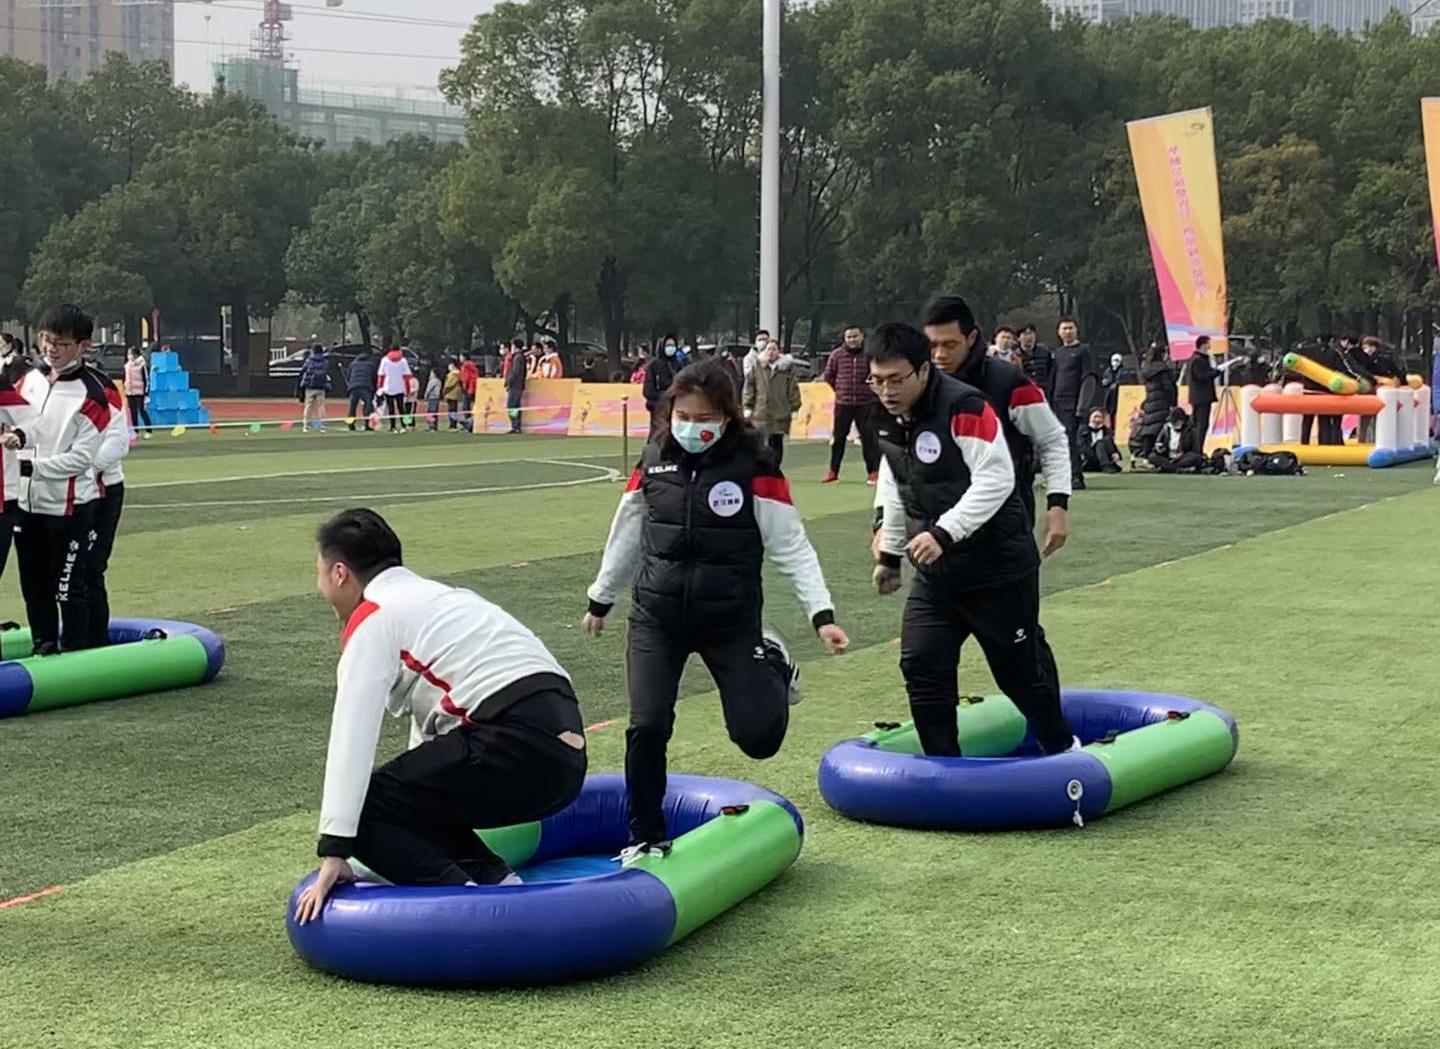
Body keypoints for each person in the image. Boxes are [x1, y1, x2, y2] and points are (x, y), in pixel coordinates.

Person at [582, 359, 849, 855]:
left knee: (758, 738)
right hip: (656, 618)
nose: (691, 427)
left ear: (727, 415)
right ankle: (644, 835)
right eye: (683, 416)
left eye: (704, 417)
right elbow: (627, 532)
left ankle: (773, 662)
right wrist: (602, 597)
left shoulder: (755, 464)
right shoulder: (654, 457)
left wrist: (822, 615)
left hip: (730, 620)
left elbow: (791, 544)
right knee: (647, 725)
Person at [293, 509, 588, 923]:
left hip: (511, 741)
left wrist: (337, 846)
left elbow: (351, 734)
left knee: (365, 805)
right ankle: (498, 883)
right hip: (565, 758)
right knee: (411, 800)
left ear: (339, 573)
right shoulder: (447, 599)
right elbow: (432, 753)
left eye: (319, 572)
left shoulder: (375, 614)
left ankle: (466, 910)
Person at [867, 321, 1075, 758]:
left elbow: (996, 478)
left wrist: (945, 531)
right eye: (877, 380)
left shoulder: (965, 406)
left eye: (896, 380)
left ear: (924, 370)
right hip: (938, 573)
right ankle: (943, 767)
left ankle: (1062, 748)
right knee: (921, 663)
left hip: (998, 568)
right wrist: (888, 548)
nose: (886, 391)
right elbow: (895, 479)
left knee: (1020, 674)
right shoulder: (886, 415)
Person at [920, 295, 1072, 705]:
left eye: (949, 344)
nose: (938, 355)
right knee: (925, 657)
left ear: (972, 338)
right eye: (931, 345)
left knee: (1020, 653)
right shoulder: (920, 387)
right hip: (941, 542)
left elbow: (1052, 439)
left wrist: (1058, 504)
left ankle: (1053, 729)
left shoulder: (1009, 383)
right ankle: (941, 738)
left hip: (1005, 537)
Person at [12, 305, 114, 655]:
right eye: (46, 340)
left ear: (83, 345)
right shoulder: (30, 379)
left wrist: (33, 468)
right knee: (33, 586)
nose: (50, 348)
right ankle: (43, 644)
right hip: (26, 503)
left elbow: (82, 459)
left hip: (70, 508)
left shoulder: (93, 393)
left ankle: (77, 651)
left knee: (68, 587)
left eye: (61, 343)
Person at [85, 378, 131, 647]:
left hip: (100, 490)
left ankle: (94, 640)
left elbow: (118, 442)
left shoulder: (100, 389)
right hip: (60, 493)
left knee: (90, 568)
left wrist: (83, 470)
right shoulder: (43, 385)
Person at [821, 325, 881, 485]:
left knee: (869, 439)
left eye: (855, 336)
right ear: (844, 338)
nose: (852, 340)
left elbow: (878, 374)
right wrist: (840, 389)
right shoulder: (836, 355)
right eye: (849, 337)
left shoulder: (870, 354)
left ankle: (873, 472)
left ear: (861, 337)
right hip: (843, 403)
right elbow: (828, 376)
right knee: (838, 439)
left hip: (866, 403)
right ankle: (833, 472)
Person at [1050, 317, 1097, 490]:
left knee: (1072, 442)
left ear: (1076, 330)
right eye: (1064, 328)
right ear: (1059, 332)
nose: (1068, 332)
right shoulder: (1058, 353)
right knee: (1059, 443)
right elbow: (1053, 380)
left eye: (1070, 328)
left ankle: (1076, 476)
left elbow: (1089, 379)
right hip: (1057, 405)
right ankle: (1061, 476)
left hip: (1073, 405)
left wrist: (1082, 407)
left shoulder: (1083, 351)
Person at [743, 339, 802, 466]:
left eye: (774, 349)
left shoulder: (786, 368)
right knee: (760, 442)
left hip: (780, 411)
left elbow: (793, 388)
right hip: (761, 412)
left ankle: (775, 468)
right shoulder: (757, 366)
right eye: (769, 349)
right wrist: (748, 406)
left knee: (776, 442)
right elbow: (749, 386)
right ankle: (762, 468)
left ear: (778, 351)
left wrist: (795, 407)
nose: (771, 352)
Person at [1129, 341, 1176, 460]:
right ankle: (1156, 454)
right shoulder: (1163, 369)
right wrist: (1173, 401)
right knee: (1159, 427)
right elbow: (1168, 387)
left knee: (1148, 427)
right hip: (1161, 401)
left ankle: (1146, 452)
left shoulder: (1147, 368)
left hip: (1150, 400)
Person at [641, 335, 683, 439]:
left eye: (673, 345)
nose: (671, 348)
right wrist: (664, 397)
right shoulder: (653, 365)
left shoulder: (678, 364)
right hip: (658, 407)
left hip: (676, 407)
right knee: (659, 435)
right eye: (668, 345)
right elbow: (648, 390)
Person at [1186, 336, 1219, 453]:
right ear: (1203, 344)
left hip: (1199, 397)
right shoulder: (1198, 360)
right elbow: (1201, 376)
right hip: (1201, 397)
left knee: (1199, 424)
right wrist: (1215, 372)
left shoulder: (1197, 359)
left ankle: (1197, 449)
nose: (1210, 346)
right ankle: (1197, 450)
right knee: (1201, 424)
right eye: (1208, 343)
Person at [1148, 407, 1204, 473]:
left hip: (1182, 458)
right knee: (1152, 456)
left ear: (1182, 421)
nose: (1173, 424)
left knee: (1196, 457)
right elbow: (1158, 443)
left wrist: (1180, 457)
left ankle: (1168, 467)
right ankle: (1176, 469)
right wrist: (1159, 449)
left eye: (1175, 422)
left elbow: (1196, 450)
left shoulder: (1191, 430)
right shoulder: (1166, 428)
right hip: (1167, 457)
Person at [375, 347, 412, 434]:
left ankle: (393, 427)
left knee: (391, 408)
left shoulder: (385, 360)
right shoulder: (403, 360)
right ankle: (404, 426)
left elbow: (381, 375)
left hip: (388, 387)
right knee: (401, 408)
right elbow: (407, 376)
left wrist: (380, 387)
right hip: (400, 387)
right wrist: (408, 389)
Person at [298, 344, 331, 433]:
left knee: (308, 406)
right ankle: (323, 426)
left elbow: (303, 370)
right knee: (321, 406)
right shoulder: (325, 361)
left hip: (310, 386)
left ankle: (306, 426)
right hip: (321, 386)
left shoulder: (309, 360)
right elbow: (326, 371)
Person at [1016, 323, 1055, 399]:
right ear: (1018, 338)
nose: (1029, 337)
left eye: (1031, 333)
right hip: (1025, 393)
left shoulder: (1045, 353)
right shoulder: (1015, 355)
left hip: (1044, 393)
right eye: (1025, 334)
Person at [345, 347, 379, 432]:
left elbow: (348, 376)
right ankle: (368, 425)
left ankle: (350, 425)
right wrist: (374, 390)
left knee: (352, 408)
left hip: (353, 387)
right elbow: (375, 378)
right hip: (366, 387)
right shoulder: (371, 364)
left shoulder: (353, 364)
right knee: (368, 407)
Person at [123, 347, 153, 439]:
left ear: (135, 354)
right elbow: (125, 377)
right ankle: (135, 431)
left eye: (130, 353)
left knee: (142, 410)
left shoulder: (142, 364)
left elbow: (146, 379)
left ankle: (149, 431)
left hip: (140, 392)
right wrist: (126, 387)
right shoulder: (127, 365)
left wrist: (146, 393)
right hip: (130, 392)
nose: (129, 356)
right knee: (133, 412)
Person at [1080, 408, 1122, 474]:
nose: (1097, 419)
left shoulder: (1107, 431)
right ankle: (1106, 466)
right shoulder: (1083, 431)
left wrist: (1116, 453)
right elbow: (1081, 446)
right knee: (1100, 443)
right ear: (1090, 418)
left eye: (1099, 417)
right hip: (1090, 460)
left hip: (1106, 457)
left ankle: (1107, 465)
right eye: (1095, 417)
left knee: (1104, 441)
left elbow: (1113, 446)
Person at [1101, 351, 1134, 422]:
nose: (1115, 362)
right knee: (1108, 412)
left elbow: (1126, 381)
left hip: (1119, 395)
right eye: (1113, 360)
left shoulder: (1124, 370)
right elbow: (1104, 380)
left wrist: (1116, 384)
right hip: (1109, 395)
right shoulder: (1108, 370)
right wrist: (1106, 382)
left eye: (1117, 360)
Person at [504, 339, 527, 434]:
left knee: (511, 406)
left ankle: (515, 425)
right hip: (519, 385)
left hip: (515, 385)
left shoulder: (517, 357)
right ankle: (516, 426)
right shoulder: (521, 357)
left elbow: (515, 372)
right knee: (516, 406)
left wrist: (509, 382)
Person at [459, 352, 479, 427]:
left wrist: (464, 387)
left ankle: (469, 423)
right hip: (473, 387)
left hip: (468, 388)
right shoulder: (472, 365)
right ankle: (470, 421)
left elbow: (466, 378)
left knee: (466, 407)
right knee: (470, 406)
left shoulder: (465, 365)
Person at [442, 360, 463, 430]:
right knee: (453, 409)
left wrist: (444, 391)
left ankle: (453, 425)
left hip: (451, 394)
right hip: (455, 394)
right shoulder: (457, 373)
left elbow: (449, 384)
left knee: (452, 410)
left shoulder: (453, 374)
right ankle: (453, 424)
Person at [424, 366, 443, 431]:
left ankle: (431, 426)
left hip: (432, 398)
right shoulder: (439, 381)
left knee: (430, 412)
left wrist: (425, 397)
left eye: (431, 373)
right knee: (434, 412)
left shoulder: (433, 381)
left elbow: (428, 390)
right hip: (436, 398)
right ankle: (435, 426)